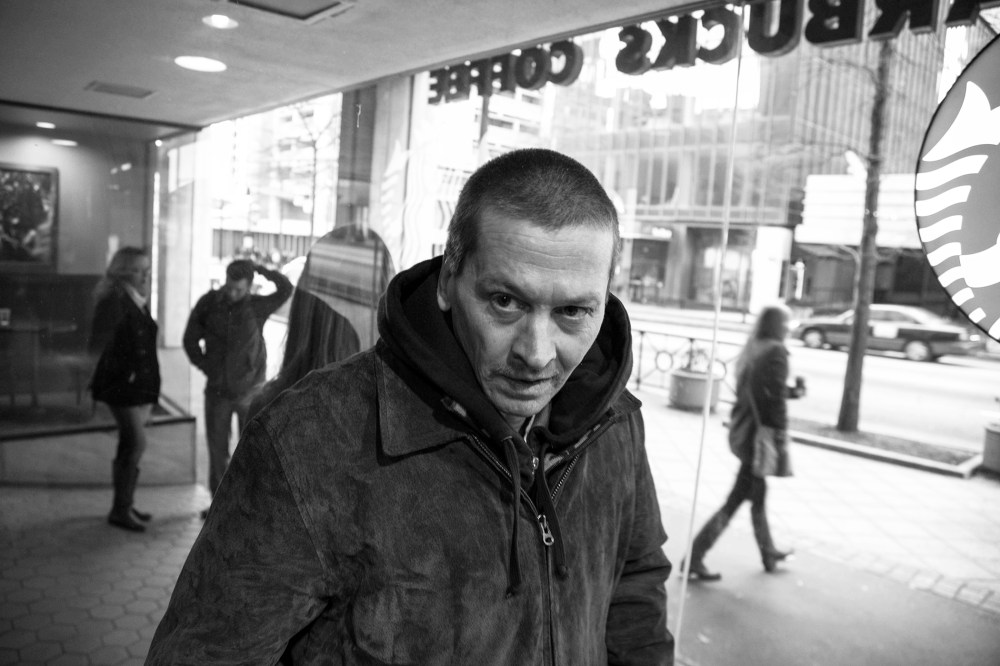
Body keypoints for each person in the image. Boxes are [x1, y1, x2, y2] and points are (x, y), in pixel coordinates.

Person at [148, 148, 674, 664]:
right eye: (505, 301)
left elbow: (635, 589)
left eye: (572, 312)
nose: (536, 354)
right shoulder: (310, 439)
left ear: (605, 303)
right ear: (449, 279)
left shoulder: (615, 423)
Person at [684, 304, 795, 581]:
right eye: (786, 322)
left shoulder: (754, 347)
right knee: (737, 500)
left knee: (755, 497)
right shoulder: (776, 351)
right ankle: (694, 557)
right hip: (761, 438)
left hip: (747, 432)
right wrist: (779, 434)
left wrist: (788, 393)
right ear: (777, 325)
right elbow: (773, 398)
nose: (788, 327)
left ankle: (768, 552)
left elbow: (762, 390)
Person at [182, 259, 292, 511]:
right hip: (217, 392)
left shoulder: (257, 305)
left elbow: (285, 288)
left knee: (250, 450)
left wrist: (260, 268)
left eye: (239, 290)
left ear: (249, 287)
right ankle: (219, 508)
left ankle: (247, 506)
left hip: (250, 393)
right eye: (229, 287)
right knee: (218, 452)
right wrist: (206, 366)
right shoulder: (209, 303)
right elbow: (190, 339)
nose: (232, 294)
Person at [87, 246, 160, 533]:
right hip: (122, 388)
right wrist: (125, 372)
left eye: (147, 270)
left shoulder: (133, 299)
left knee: (129, 444)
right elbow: (97, 345)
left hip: (135, 387)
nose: (146, 276)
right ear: (125, 273)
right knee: (136, 443)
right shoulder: (114, 301)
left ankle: (124, 505)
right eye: (140, 271)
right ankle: (120, 509)